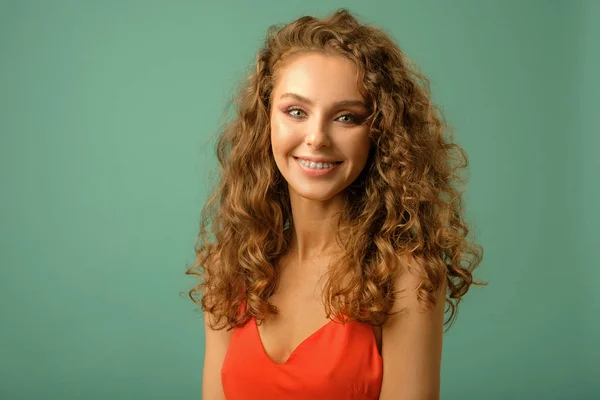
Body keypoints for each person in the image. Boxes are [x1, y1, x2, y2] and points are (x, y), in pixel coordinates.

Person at [187, 8, 484, 400]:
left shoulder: (404, 277)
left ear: (380, 133)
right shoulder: (230, 267)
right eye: (296, 111)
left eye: (346, 117)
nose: (317, 138)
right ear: (266, 120)